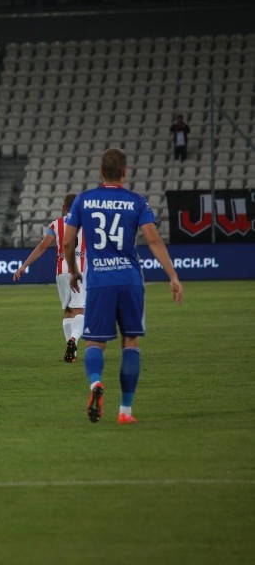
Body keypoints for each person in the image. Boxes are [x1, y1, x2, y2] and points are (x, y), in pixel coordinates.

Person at [63, 148, 183, 425]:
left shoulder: (84, 200)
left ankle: (95, 384)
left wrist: (73, 270)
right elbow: (153, 241)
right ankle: (125, 411)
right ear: (125, 172)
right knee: (131, 341)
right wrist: (173, 276)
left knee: (95, 341)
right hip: (130, 279)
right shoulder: (137, 201)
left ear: (101, 172)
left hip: (100, 281)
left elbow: (68, 242)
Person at [13, 193, 87, 363]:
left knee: (68, 310)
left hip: (61, 272)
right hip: (80, 271)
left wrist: (24, 266)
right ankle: (73, 340)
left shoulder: (56, 224)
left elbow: (42, 246)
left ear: (64, 208)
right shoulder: (88, 224)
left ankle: (71, 354)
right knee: (81, 310)